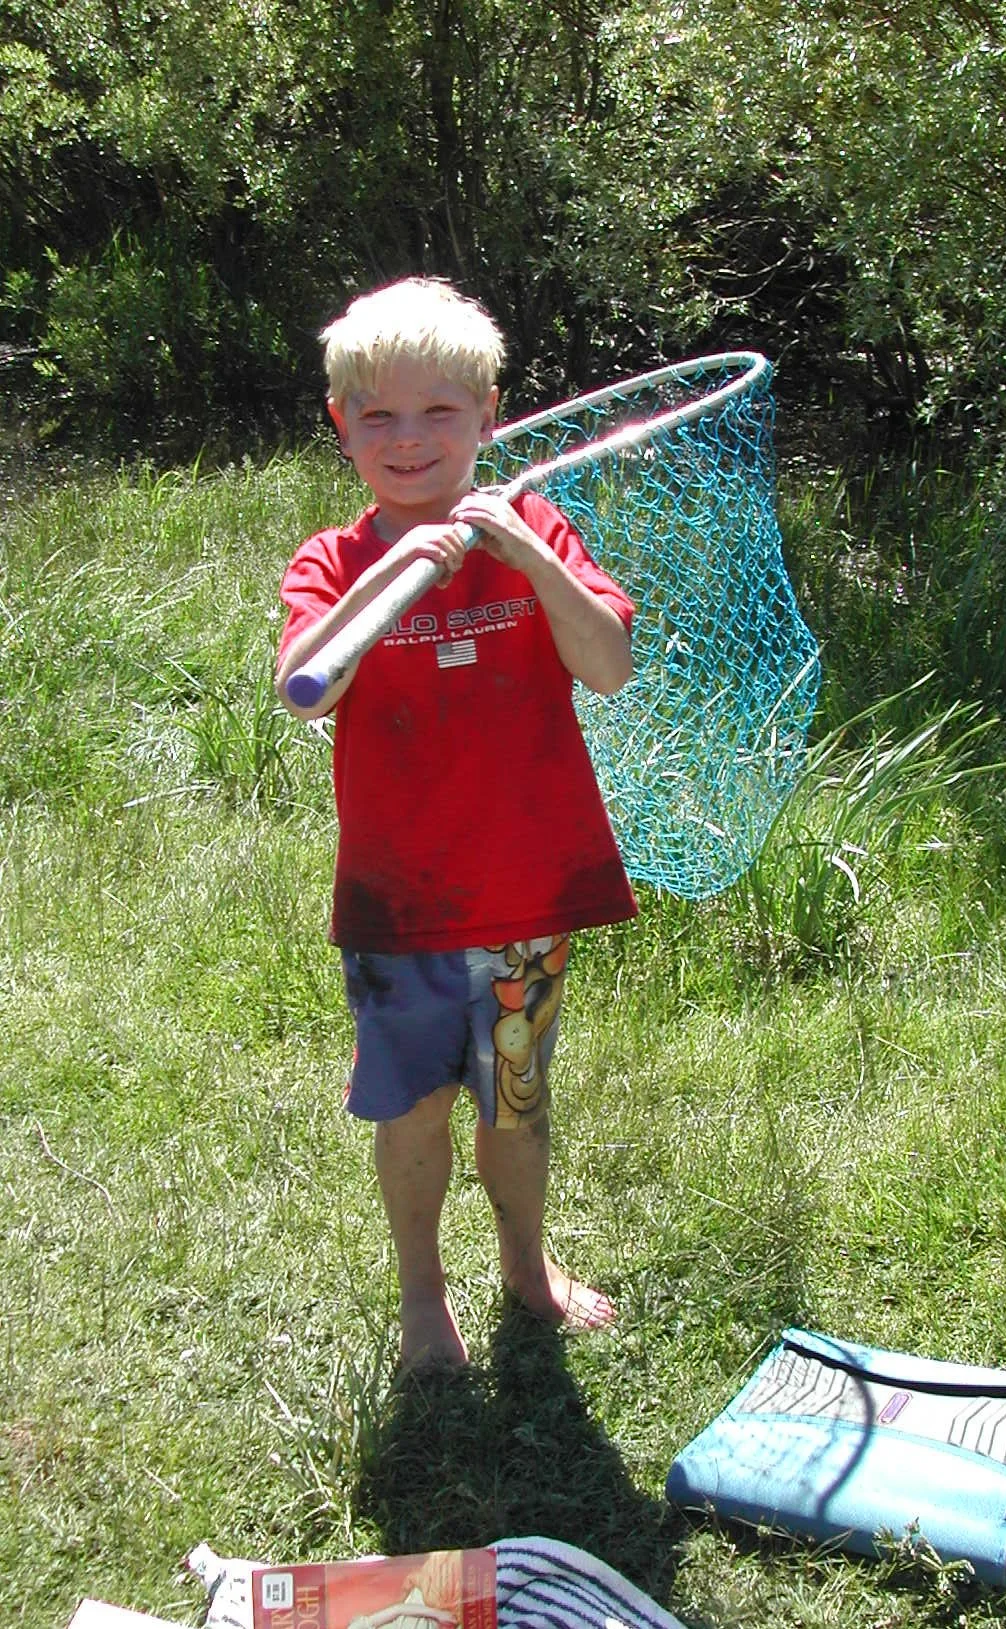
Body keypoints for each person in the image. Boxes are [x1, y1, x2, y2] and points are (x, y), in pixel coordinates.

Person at [275, 277, 637, 1371]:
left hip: (527, 894)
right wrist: (389, 575)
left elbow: (607, 666)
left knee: (515, 1102)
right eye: (377, 414)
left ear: (487, 415)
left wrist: (526, 556)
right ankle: (423, 1296)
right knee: (416, 1110)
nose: (409, 438)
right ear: (342, 426)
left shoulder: (536, 532)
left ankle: (526, 1266)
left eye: (439, 411)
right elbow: (303, 686)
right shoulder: (331, 562)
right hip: (402, 908)